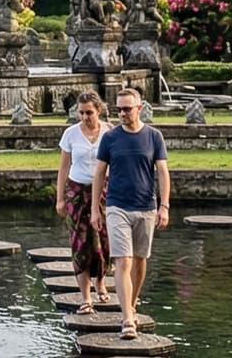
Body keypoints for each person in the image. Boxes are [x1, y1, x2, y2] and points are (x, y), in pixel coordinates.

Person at [91, 85, 171, 338]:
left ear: (139, 108)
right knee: (123, 260)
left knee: (139, 259)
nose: (122, 114)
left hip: (146, 206)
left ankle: (132, 303)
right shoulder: (110, 138)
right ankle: (127, 319)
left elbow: (163, 172)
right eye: (119, 109)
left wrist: (164, 206)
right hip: (117, 206)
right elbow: (99, 173)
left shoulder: (154, 137)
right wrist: (95, 209)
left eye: (127, 109)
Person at [55, 90, 112, 313]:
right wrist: (60, 198)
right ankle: (86, 297)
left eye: (89, 112)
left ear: (98, 110)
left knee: (104, 240)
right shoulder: (70, 134)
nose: (85, 117)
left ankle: (101, 281)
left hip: (104, 191)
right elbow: (63, 167)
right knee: (80, 242)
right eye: (81, 113)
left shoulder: (109, 132)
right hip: (77, 191)